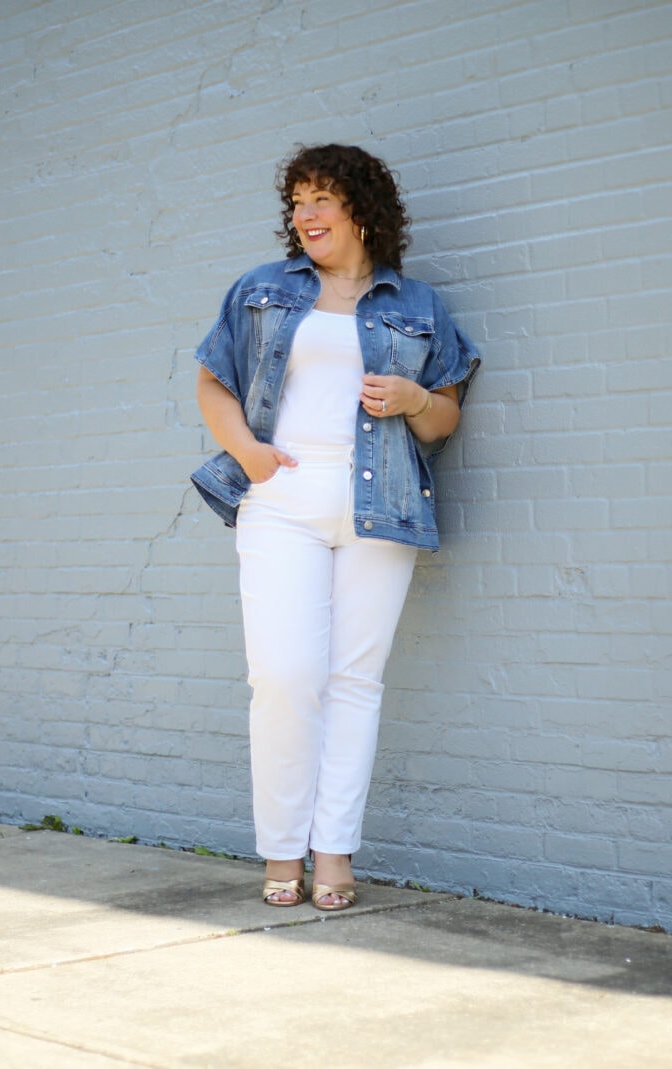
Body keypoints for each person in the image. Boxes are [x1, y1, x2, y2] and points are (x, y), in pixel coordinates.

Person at [191, 143, 478, 911]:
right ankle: (282, 847)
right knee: (283, 675)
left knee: (354, 681)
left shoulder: (417, 306)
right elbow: (212, 380)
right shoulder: (263, 290)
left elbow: (445, 414)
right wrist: (248, 453)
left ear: (362, 209)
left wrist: (416, 400)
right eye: (298, 202)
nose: (306, 215)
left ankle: (333, 850)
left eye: (322, 199)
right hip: (282, 494)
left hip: (379, 499)